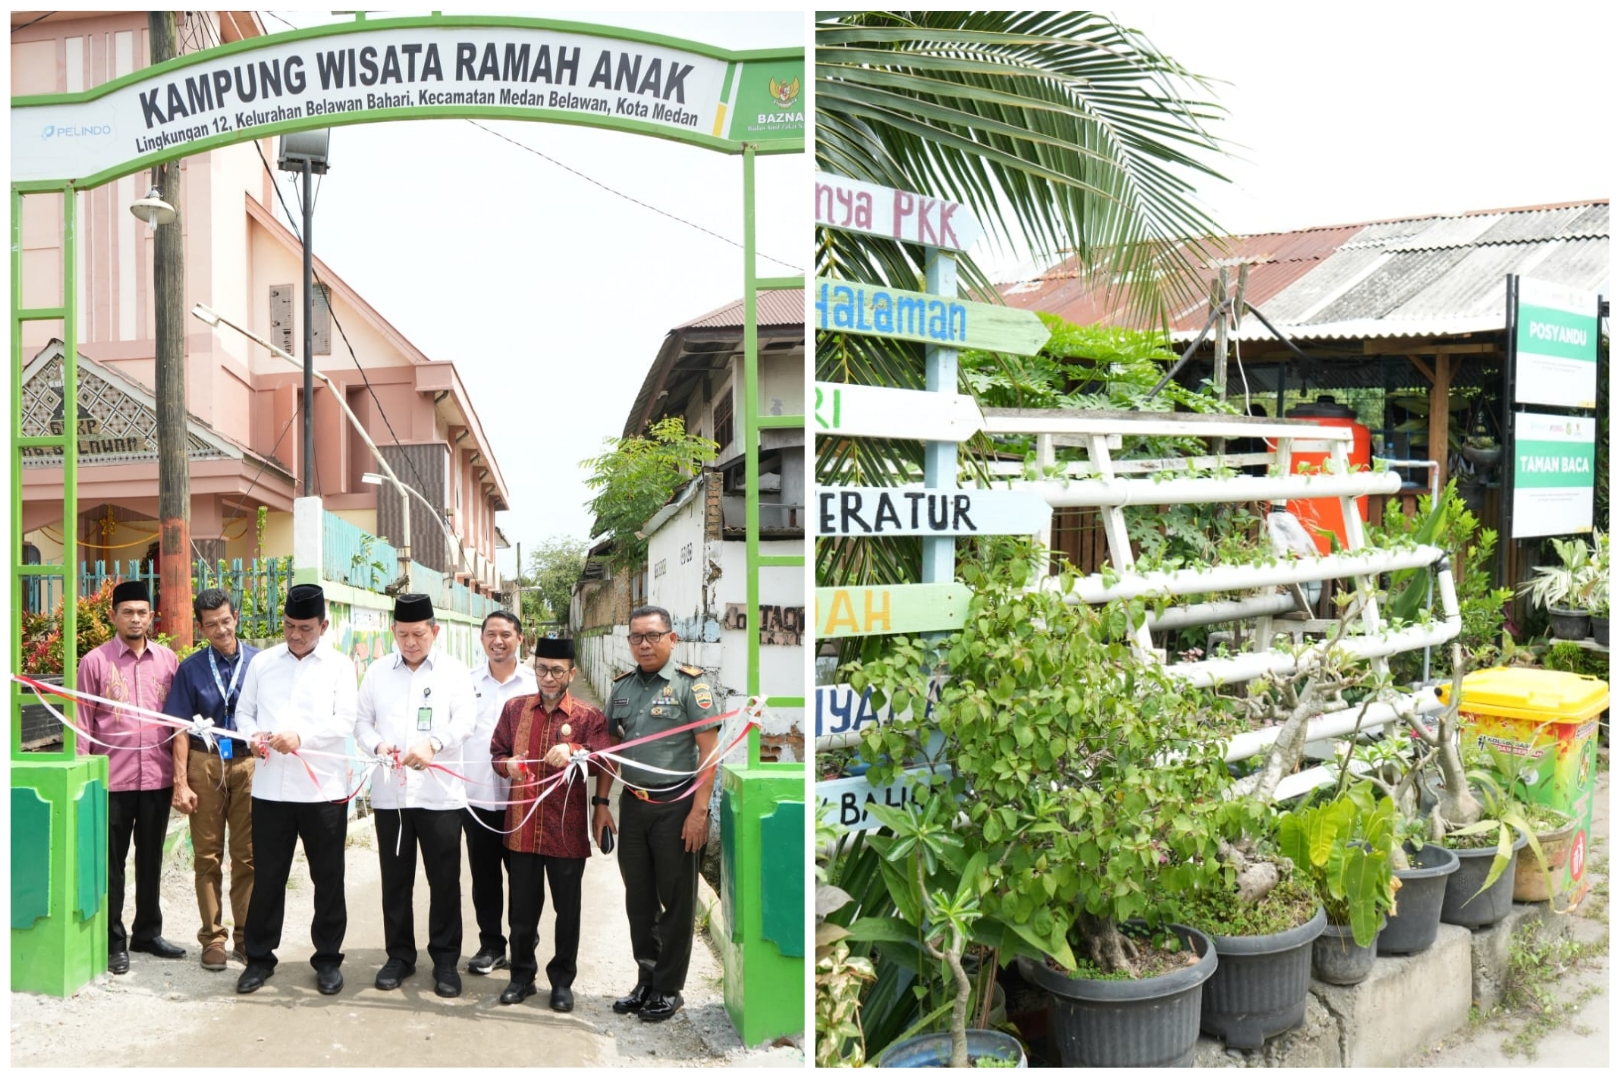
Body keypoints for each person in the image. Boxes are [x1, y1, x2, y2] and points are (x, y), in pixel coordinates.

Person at [233, 584, 358, 996]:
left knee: (328, 877)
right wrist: (252, 735)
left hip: (323, 790)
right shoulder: (263, 663)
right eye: (288, 626)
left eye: (305, 628)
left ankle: (327, 960)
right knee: (268, 876)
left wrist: (301, 736)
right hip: (271, 791)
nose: (295, 635)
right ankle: (260, 958)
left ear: (323, 625)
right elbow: (243, 712)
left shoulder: (340, 666)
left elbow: (345, 721)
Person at [355, 593, 476, 998]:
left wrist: (435, 744)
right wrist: (377, 747)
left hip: (441, 796)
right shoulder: (377, 672)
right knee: (395, 879)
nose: (410, 642)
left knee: (444, 880)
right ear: (393, 631)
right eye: (403, 634)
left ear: (434, 631)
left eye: (419, 634)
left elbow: (465, 721)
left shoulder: (455, 672)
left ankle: (445, 961)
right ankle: (400, 956)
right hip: (393, 796)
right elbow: (361, 723)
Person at [603, 605, 721, 1023]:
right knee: (639, 900)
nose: (644, 644)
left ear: (672, 639)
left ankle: (669, 988)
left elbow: (710, 754)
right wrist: (602, 805)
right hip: (633, 806)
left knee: (676, 901)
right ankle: (647, 979)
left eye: (653, 636)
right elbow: (610, 753)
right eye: (637, 637)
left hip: (676, 808)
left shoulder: (692, 687)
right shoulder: (621, 688)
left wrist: (699, 813)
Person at [489, 638, 609, 1012]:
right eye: (542, 668)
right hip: (522, 829)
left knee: (567, 911)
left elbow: (605, 760)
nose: (549, 677)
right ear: (534, 667)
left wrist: (575, 752)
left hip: (566, 832)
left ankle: (562, 982)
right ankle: (521, 977)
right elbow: (496, 753)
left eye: (558, 670)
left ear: (572, 673)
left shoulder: (589, 717)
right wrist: (507, 765)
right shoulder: (514, 710)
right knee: (522, 912)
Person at [78, 579, 182, 974]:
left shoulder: (168, 661)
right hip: (112, 782)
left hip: (157, 777)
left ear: (151, 616)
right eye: (127, 612)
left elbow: (177, 722)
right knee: (113, 864)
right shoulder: (94, 663)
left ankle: (147, 932)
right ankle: (113, 941)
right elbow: (81, 726)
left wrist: (182, 778)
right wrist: (85, 783)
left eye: (142, 612)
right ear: (113, 617)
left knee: (151, 858)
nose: (135, 619)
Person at [163, 587, 259, 971]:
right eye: (211, 625)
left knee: (248, 856)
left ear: (235, 617)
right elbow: (180, 728)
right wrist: (180, 782)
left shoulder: (260, 662)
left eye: (225, 621)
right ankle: (213, 937)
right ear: (201, 629)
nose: (220, 629)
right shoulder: (190, 669)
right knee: (207, 855)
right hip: (205, 766)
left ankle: (247, 937)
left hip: (250, 766)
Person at [462, 610, 537, 977]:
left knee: (524, 878)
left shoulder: (535, 684)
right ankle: (491, 945)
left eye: (506, 634)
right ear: (482, 639)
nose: (498, 640)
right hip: (477, 796)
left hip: (524, 799)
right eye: (491, 633)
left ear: (519, 638)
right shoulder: (466, 683)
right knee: (485, 876)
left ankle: (525, 946)